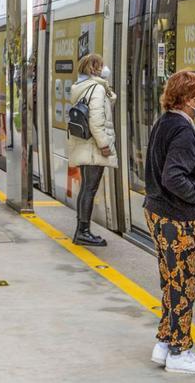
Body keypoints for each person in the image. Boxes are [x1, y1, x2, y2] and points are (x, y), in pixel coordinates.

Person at [144, 70, 195, 375]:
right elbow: (172, 176)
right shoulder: (184, 131)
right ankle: (180, 351)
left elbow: (170, 163)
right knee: (183, 287)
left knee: (170, 282)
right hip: (176, 219)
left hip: (157, 212)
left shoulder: (166, 122)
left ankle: (164, 342)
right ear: (189, 99)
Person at [67, 54, 117, 247]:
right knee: (90, 188)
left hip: (84, 144)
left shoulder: (83, 87)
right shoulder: (96, 88)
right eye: (102, 65)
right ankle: (83, 231)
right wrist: (104, 145)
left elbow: (110, 98)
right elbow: (96, 122)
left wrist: (105, 86)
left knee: (86, 187)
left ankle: (82, 229)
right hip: (94, 147)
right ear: (95, 68)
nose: (105, 68)